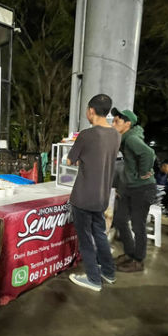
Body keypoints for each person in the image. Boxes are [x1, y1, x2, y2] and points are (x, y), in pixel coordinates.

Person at [66, 94, 121, 291]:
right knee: (99, 234)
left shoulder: (86, 135)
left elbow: (69, 161)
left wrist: (79, 159)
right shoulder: (116, 134)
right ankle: (108, 272)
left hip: (83, 196)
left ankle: (93, 279)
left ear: (91, 111)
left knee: (85, 239)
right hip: (102, 197)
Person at [111, 108, 156, 273]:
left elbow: (149, 153)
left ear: (127, 124)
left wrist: (143, 173)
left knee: (138, 225)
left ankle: (138, 261)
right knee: (121, 219)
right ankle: (130, 254)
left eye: (117, 121)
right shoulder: (125, 138)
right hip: (130, 188)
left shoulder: (131, 139)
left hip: (142, 188)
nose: (113, 123)